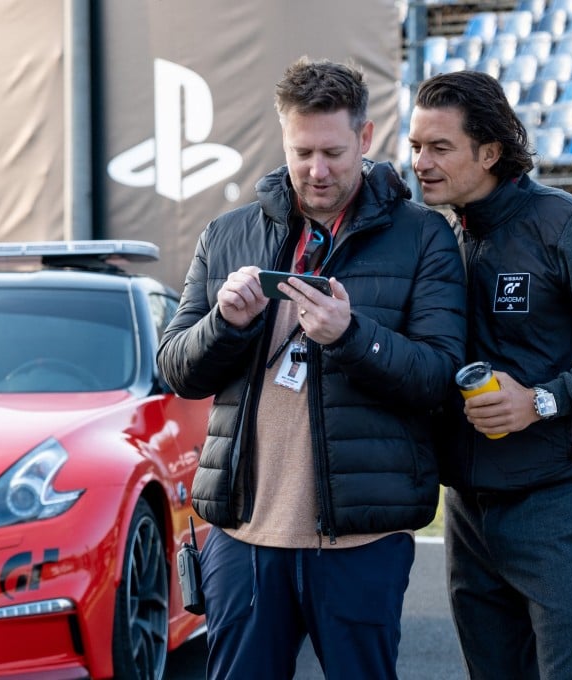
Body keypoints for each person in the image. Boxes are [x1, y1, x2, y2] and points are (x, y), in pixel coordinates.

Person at [157, 56, 466, 680]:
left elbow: (439, 376)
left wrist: (352, 336)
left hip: (361, 541)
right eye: (302, 153)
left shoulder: (424, 237)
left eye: (333, 152)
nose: (317, 171)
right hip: (242, 535)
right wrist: (225, 324)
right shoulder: (227, 235)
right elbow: (176, 369)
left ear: (366, 138)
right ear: (283, 139)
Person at [408, 70, 572, 680]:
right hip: (467, 512)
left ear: (491, 151)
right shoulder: (439, 236)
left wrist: (544, 400)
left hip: (556, 507)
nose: (421, 161)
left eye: (439, 147)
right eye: (417, 145)